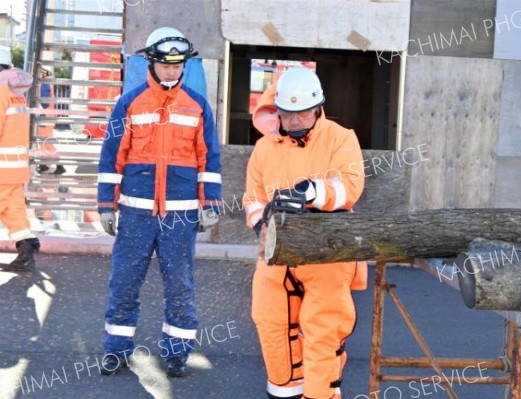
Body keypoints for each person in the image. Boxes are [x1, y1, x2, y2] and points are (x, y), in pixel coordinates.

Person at [97, 27, 221, 378]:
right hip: (136, 212)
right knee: (124, 281)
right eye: (165, 65)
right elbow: (111, 156)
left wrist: (210, 202)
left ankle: (177, 353)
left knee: (180, 284)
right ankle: (116, 350)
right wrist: (107, 205)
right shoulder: (130, 102)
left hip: (180, 215)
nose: (171, 71)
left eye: (178, 65)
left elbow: (208, 159)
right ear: (151, 62)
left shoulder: (197, 106)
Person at [244, 66, 367, 399]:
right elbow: (253, 198)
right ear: (278, 110)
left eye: (301, 114)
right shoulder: (264, 149)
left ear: (317, 108)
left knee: (322, 333)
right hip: (277, 253)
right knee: (271, 325)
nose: (294, 120)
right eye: (288, 114)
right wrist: (260, 223)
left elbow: (350, 185)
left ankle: (320, 396)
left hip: (327, 252)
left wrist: (312, 192)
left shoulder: (341, 138)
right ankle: (283, 392)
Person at [0, 45, 40, 273]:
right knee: (13, 211)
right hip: (14, 167)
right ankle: (26, 250)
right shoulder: (15, 92)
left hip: (2, 168)